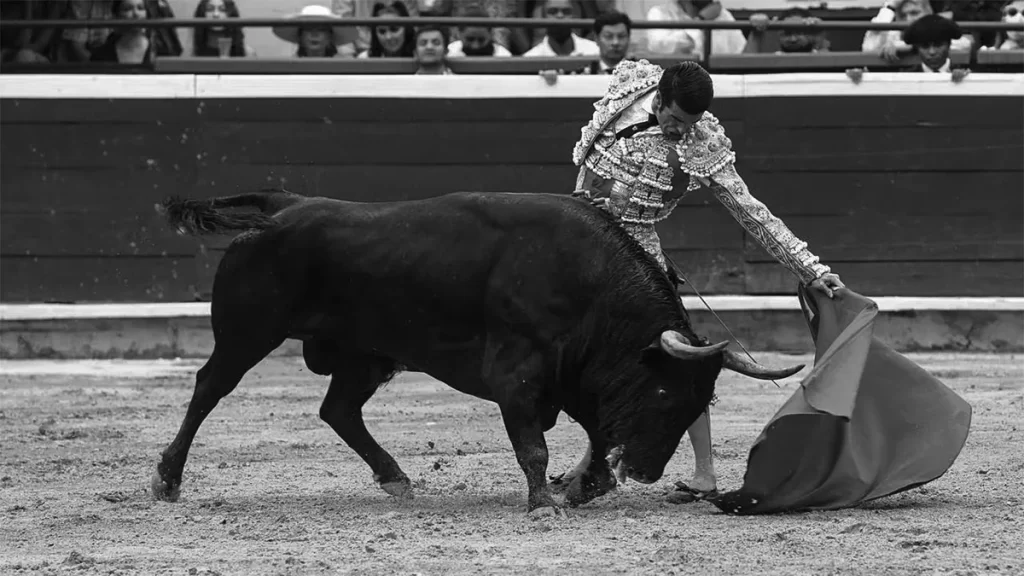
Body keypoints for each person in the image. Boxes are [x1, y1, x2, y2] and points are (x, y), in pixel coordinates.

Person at [559, 59, 845, 503]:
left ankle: (705, 474)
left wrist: (810, 269)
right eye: (674, 119)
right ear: (659, 97)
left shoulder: (703, 142)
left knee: (682, 361)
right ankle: (593, 463)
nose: (679, 131)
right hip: (578, 241)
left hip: (635, 260)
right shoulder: (630, 85)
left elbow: (750, 211)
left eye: (688, 124)